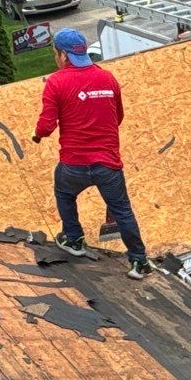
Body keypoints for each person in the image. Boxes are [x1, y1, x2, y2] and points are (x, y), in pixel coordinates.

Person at [34, 28, 151, 280]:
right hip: (108, 165)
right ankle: (140, 262)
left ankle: (74, 239)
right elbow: (117, 116)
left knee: (64, 193)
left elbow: (46, 126)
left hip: (74, 164)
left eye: (56, 53)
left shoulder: (56, 82)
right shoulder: (108, 79)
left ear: (63, 55)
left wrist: (38, 134)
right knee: (122, 211)